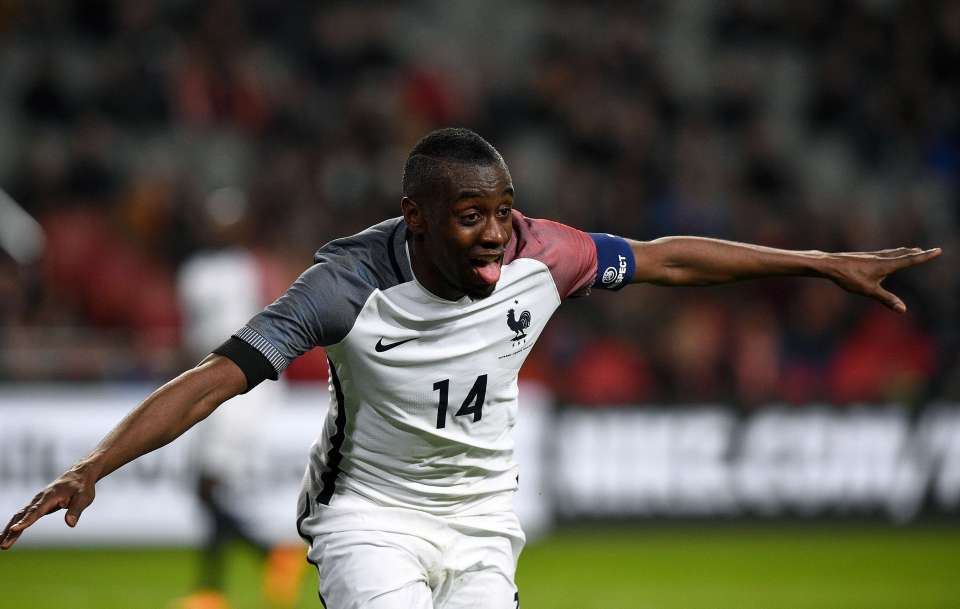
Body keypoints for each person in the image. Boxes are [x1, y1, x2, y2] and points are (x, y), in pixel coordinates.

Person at [1, 128, 941, 608]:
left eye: (503, 209)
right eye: (469, 216)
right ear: (415, 216)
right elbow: (215, 375)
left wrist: (819, 262)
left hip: (487, 521)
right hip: (368, 517)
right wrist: (94, 463)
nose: (496, 233)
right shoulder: (345, 287)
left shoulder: (544, 252)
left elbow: (667, 256)